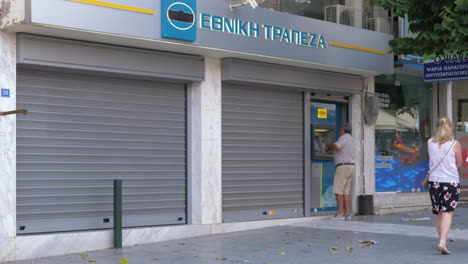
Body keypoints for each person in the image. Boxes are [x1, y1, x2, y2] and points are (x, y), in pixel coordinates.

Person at [427, 117, 463, 255]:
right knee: (448, 212)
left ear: (437, 127)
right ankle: (442, 242)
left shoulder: (430, 142)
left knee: (438, 211)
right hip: (451, 181)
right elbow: (459, 163)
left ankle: (442, 240)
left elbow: (432, 160)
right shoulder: (455, 143)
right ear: (450, 127)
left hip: (434, 181)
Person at [326, 123, 355, 220]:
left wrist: (328, 145)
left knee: (338, 190)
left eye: (340, 129)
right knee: (346, 192)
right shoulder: (352, 139)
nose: (339, 131)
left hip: (342, 167)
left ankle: (340, 213)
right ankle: (347, 213)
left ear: (343, 130)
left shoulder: (344, 137)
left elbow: (337, 146)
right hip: (351, 166)